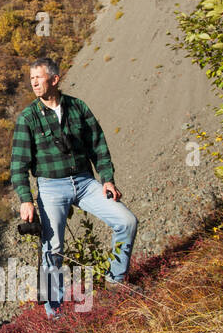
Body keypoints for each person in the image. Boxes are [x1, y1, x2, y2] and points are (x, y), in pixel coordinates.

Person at [9, 57, 138, 318]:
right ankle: (53, 312)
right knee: (52, 248)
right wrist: (26, 199)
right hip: (50, 186)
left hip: (84, 182)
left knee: (127, 221)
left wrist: (108, 179)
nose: (33, 82)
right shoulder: (28, 118)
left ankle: (116, 284)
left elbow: (98, 145)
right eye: (31, 77)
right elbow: (18, 165)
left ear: (54, 80)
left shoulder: (78, 108)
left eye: (39, 77)